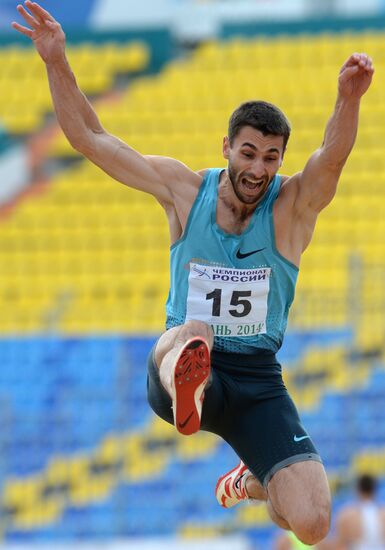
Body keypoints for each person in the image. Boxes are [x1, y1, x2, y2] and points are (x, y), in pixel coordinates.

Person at [12, 2, 374, 545]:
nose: (257, 169)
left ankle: (250, 482)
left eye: (271, 158)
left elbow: (333, 157)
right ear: (226, 147)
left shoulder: (290, 208)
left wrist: (348, 99)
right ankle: (189, 382)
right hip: (178, 364)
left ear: (280, 160)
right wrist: (56, 62)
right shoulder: (184, 192)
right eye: (248, 153)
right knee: (194, 333)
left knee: (313, 523)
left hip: (255, 379)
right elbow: (91, 138)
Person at [334, 474, 385, 549]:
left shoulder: (347, 515)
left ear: (357, 489)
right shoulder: (383, 514)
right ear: (374, 490)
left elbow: (340, 545)